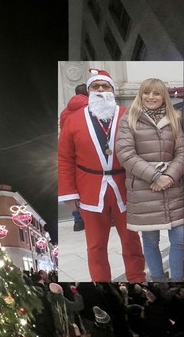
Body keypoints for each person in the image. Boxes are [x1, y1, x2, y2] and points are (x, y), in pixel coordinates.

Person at [58, 68, 146, 282]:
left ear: (112, 90)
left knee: (131, 240)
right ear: (88, 91)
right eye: (95, 86)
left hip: (124, 186)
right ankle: (101, 283)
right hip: (90, 188)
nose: (100, 90)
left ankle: (137, 278)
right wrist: (69, 193)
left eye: (104, 86)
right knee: (95, 245)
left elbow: (143, 151)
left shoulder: (129, 115)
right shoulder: (73, 120)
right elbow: (65, 158)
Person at [116, 78, 184, 282]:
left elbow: (181, 151)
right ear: (140, 95)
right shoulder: (128, 120)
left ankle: (178, 280)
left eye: (156, 93)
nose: (151, 97)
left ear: (164, 96)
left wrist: (169, 176)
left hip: (173, 187)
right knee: (150, 240)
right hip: (145, 189)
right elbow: (125, 154)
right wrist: (155, 176)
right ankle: (158, 279)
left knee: (180, 239)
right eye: (147, 93)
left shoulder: (174, 119)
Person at [60, 84, 89, 232]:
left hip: (72, 153)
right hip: (86, 152)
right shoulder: (90, 108)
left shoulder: (65, 112)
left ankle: (78, 220)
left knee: (75, 187)